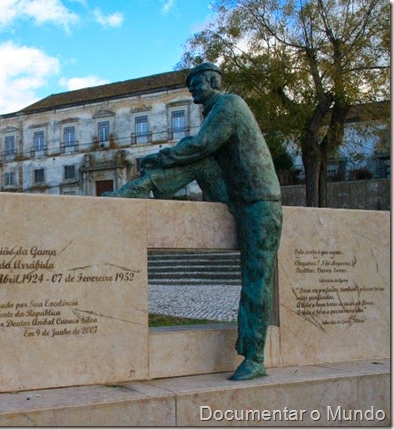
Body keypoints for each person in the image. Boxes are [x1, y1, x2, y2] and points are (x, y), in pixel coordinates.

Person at [104, 62, 282, 381]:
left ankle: (255, 358)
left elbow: (202, 145)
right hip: (237, 196)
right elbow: (202, 151)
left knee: (257, 279)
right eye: (190, 84)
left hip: (259, 202)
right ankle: (140, 189)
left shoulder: (230, 105)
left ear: (213, 81)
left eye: (196, 82)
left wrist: (158, 157)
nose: (192, 89)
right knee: (200, 161)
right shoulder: (213, 112)